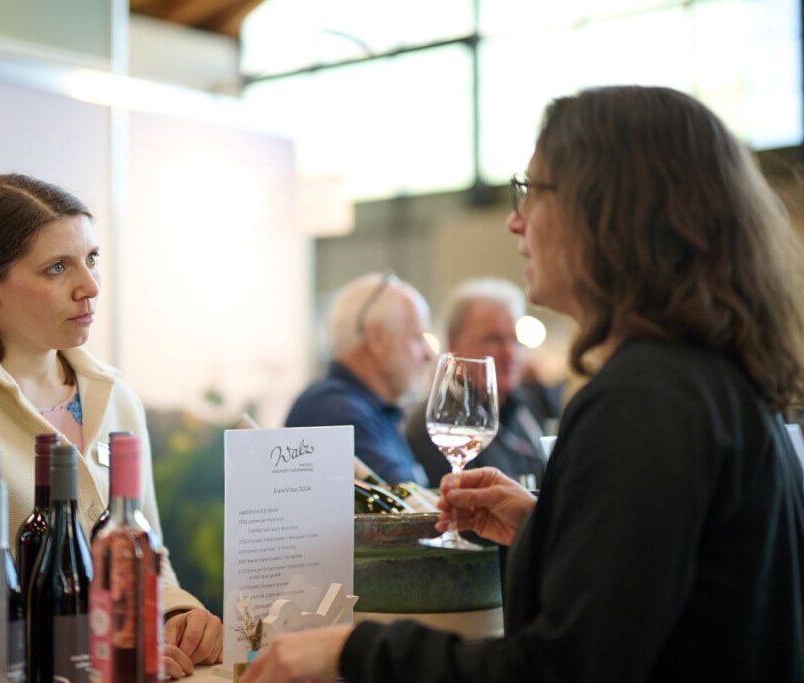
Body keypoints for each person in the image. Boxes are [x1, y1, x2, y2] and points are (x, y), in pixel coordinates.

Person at [244, 86, 804, 682]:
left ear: (607, 207)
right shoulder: (705, 380)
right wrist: (543, 528)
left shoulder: (645, 399)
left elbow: (558, 670)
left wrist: (350, 650)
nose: (516, 221)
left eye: (532, 192)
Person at [0, 173, 223, 677]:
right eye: (58, 268)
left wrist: (177, 613)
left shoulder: (117, 398)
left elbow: (148, 555)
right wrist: (88, 652)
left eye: (91, 259)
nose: (90, 286)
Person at [405, 278, 559, 488]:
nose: (509, 352)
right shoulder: (439, 428)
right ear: (454, 343)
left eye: (514, 339)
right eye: (493, 339)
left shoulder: (526, 407)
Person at [285, 272, 434, 485]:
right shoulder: (334, 411)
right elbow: (403, 510)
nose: (428, 354)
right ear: (376, 339)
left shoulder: (368, 409)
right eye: (418, 337)